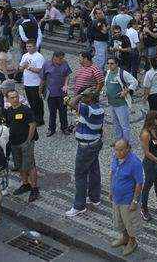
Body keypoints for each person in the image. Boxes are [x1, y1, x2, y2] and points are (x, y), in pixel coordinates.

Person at [65, 88, 105, 217]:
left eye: (85, 97)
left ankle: (79, 206)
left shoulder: (89, 109)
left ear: (91, 98)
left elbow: (71, 103)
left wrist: (80, 94)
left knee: (80, 175)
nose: (82, 99)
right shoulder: (97, 109)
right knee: (94, 170)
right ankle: (95, 198)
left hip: (85, 147)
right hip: (95, 143)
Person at [109, 139, 144, 257]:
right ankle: (124, 238)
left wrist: (135, 201)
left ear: (128, 149)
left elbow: (139, 183)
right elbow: (112, 173)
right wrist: (111, 190)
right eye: (116, 150)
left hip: (127, 199)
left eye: (121, 150)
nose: (118, 153)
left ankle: (132, 242)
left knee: (130, 223)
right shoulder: (115, 157)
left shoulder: (135, 163)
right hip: (116, 197)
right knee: (119, 220)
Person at [5, 89, 40, 203]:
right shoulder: (9, 110)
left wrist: (28, 140)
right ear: (8, 99)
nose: (15, 99)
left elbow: (33, 125)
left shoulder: (26, 110)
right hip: (14, 143)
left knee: (30, 165)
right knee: (19, 164)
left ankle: (34, 188)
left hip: (25, 142)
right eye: (12, 97)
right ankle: (25, 184)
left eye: (16, 96)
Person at [139, 111, 157, 220]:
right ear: (153, 119)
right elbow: (147, 152)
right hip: (150, 163)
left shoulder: (155, 130)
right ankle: (143, 208)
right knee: (147, 185)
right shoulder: (146, 134)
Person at [103, 57, 138, 144]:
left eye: (112, 63)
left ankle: (126, 144)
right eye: (108, 63)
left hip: (121, 104)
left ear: (117, 64)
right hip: (112, 103)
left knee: (124, 125)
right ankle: (119, 141)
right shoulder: (108, 72)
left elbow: (134, 82)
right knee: (116, 124)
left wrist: (126, 91)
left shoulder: (123, 73)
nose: (109, 65)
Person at [40, 50, 72, 137]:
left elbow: (67, 75)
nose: (62, 60)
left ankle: (64, 128)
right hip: (51, 94)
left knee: (63, 111)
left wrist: (66, 84)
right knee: (52, 112)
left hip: (62, 93)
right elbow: (42, 79)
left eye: (62, 58)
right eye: (60, 59)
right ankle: (51, 129)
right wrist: (40, 90)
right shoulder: (46, 65)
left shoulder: (64, 63)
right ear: (54, 58)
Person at [19, 40, 45, 126]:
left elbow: (41, 70)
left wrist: (28, 67)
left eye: (30, 46)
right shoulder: (25, 56)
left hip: (36, 83)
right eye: (27, 46)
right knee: (30, 101)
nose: (28, 48)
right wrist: (22, 67)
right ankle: (33, 118)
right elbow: (20, 68)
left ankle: (40, 120)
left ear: (35, 47)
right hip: (27, 83)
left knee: (37, 102)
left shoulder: (39, 57)